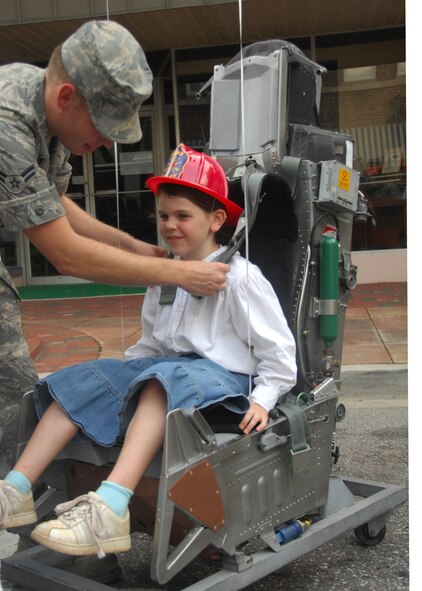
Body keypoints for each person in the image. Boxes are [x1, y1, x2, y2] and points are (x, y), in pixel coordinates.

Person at [0, 144, 297, 559]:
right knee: (86, 378)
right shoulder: (162, 276)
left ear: (216, 219)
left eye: (182, 216)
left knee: (159, 380)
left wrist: (265, 398)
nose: (170, 226)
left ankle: (111, 507)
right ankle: (15, 490)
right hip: (171, 373)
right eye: (163, 216)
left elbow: (280, 355)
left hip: (226, 383)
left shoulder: (240, 279)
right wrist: (112, 384)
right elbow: (152, 347)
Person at [0, 20, 229, 476]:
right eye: (103, 126)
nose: (106, 142)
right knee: (11, 392)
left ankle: (16, 496)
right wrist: (179, 273)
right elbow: (64, 252)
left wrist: (129, 244)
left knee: (13, 393)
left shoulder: (48, 107)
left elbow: (54, 203)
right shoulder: (7, 125)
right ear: (67, 98)